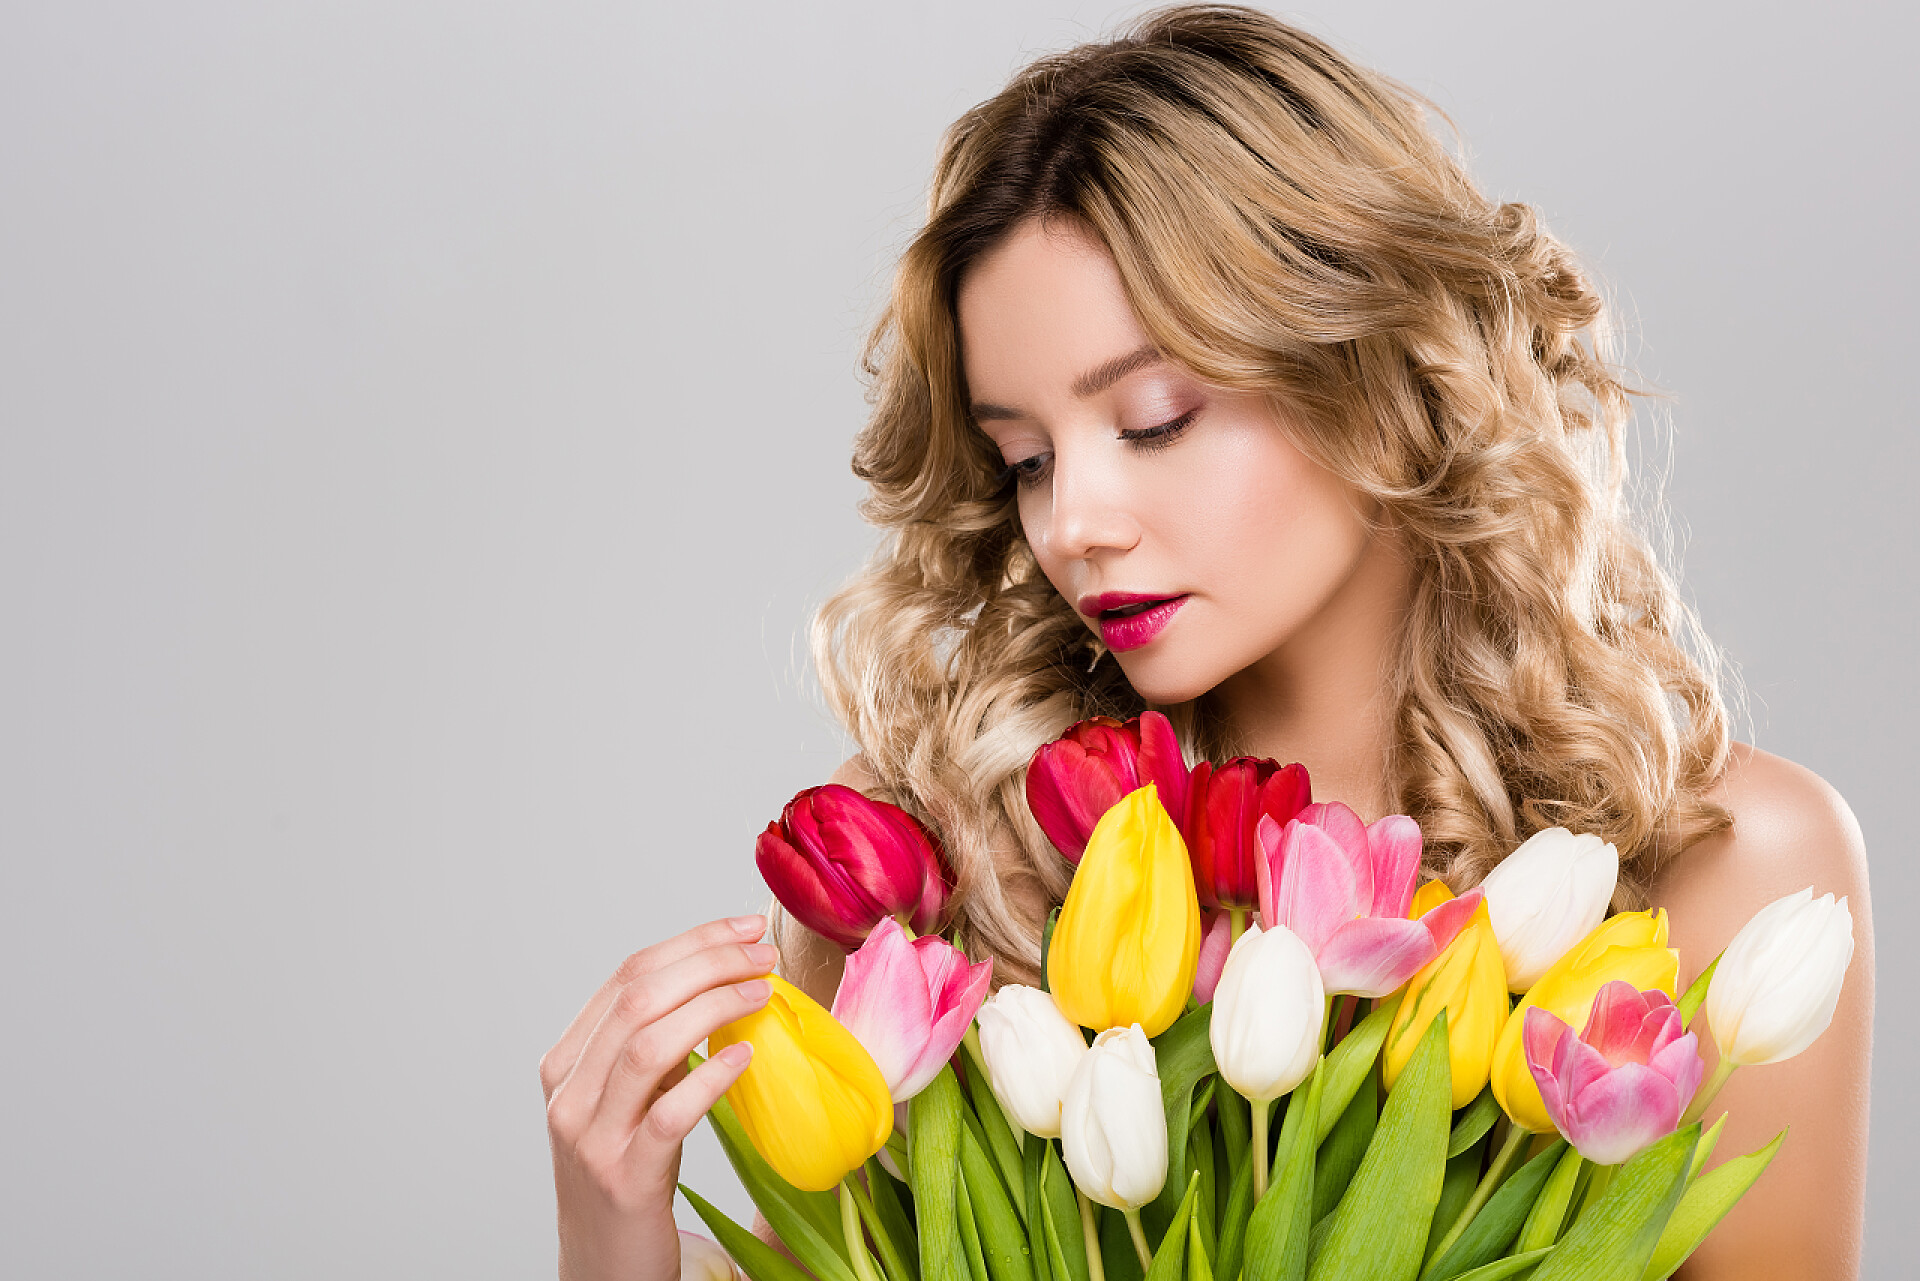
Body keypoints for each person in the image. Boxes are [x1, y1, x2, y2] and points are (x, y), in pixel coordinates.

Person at [540, 6, 1874, 1278]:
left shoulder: (1732, 865)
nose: (1077, 521)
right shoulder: (947, 862)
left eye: (1157, 419)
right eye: (1023, 458)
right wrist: (613, 1246)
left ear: (1378, 368)